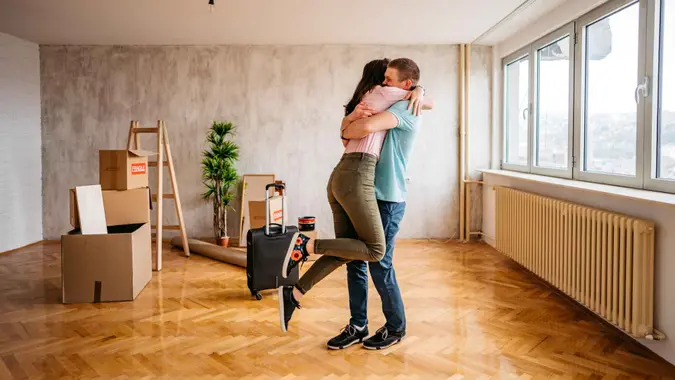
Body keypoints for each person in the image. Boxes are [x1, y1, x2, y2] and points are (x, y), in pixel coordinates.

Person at [277, 58, 432, 338]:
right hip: (362, 186)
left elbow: (360, 130)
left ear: (404, 85)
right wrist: (350, 125)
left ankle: (394, 328)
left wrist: (419, 91)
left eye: (389, 79)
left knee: (369, 258)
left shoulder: (406, 106)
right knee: (360, 257)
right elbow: (353, 132)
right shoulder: (382, 97)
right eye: (383, 78)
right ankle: (358, 324)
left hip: (385, 195)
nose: (384, 83)